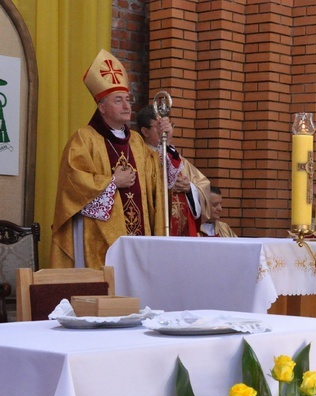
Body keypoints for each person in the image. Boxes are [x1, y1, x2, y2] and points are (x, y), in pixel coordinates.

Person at [51, 49, 167, 268]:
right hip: (97, 238)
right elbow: (73, 185)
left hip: (139, 238)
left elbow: (157, 180)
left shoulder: (136, 142)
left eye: (127, 100)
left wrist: (163, 142)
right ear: (102, 108)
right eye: (118, 100)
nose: (126, 106)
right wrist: (112, 183)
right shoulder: (84, 139)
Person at [136, 106, 211, 236]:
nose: (166, 130)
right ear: (145, 131)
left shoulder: (176, 158)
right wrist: (166, 187)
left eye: (168, 125)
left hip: (184, 230)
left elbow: (204, 185)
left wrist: (190, 189)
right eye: (160, 127)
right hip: (156, 227)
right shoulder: (140, 157)